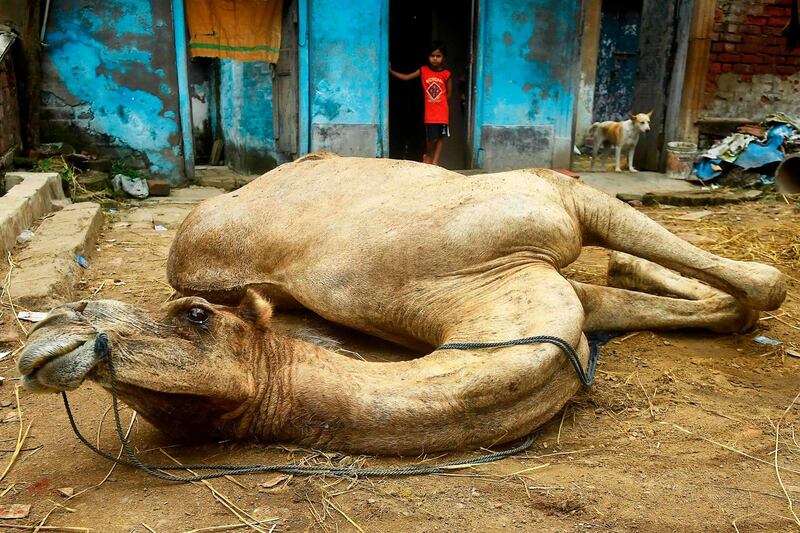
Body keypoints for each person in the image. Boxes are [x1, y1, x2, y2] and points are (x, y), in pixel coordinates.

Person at [390, 42, 452, 166]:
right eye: (432, 56)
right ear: (428, 57)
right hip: (430, 112)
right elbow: (407, 77)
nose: (435, 58)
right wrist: (391, 71)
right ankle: (428, 154)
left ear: (443, 58)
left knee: (441, 137)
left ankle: (435, 162)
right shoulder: (423, 71)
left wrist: (441, 104)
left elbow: (449, 93)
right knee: (431, 138)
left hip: (442, 111)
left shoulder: (447, 74)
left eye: (438, 56)